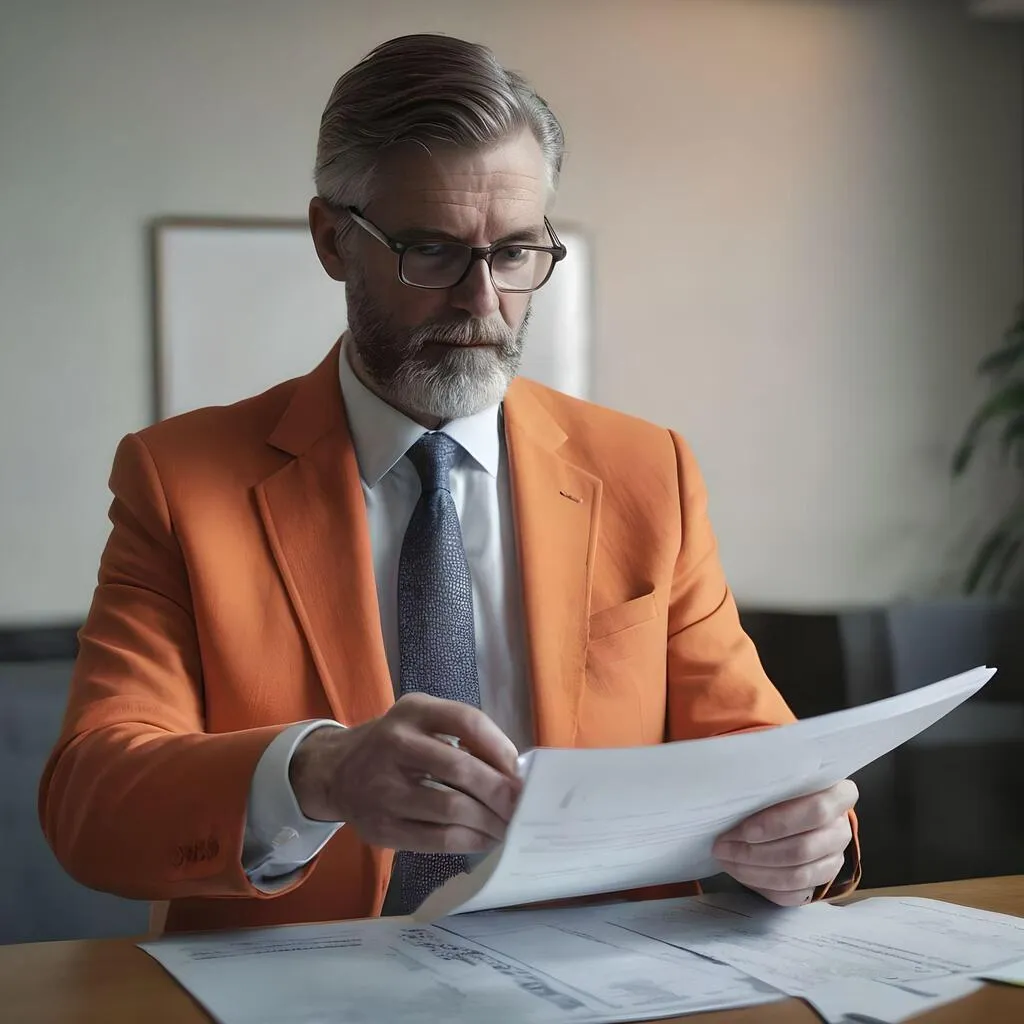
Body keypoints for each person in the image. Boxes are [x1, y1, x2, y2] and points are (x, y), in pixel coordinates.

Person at [39, 33, 859, 935]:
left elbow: (759, 757)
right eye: (430, 252)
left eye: (514, 254)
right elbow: (93, 799)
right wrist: (319, 775)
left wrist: (808, 839)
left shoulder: (645, 470)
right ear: (330, 240)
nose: (481, 302)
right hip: (310, 989)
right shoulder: (180, 480)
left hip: (609, 983)